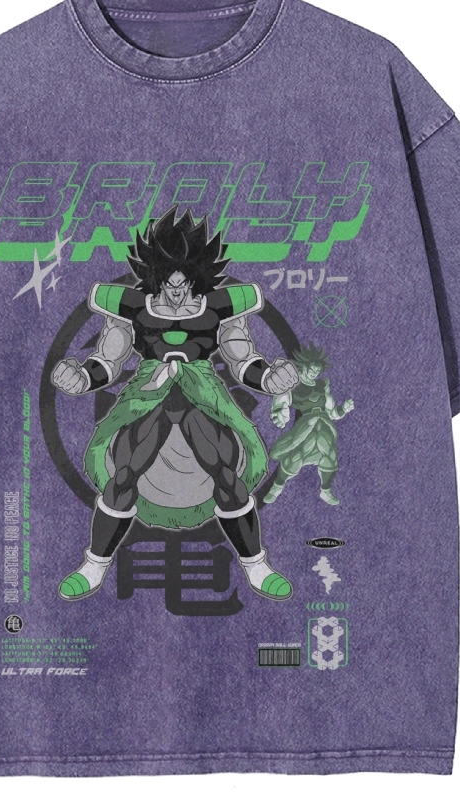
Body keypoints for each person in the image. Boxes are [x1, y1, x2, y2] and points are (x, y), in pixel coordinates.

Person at [50, 205, 299, 601]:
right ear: (154, 272)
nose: (177, 285)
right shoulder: (129, 306)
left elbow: (242, 360)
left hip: (203, 393)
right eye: (168, 275)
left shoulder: (221, 307)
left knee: (225, 472)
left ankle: (256, 566)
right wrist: (81, 377)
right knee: (125, 473)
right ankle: (94, 565)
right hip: (148, 393)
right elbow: (108, 360)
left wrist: (271, 377)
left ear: (199, 272)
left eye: (184, 275)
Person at [263, 343, 354, 505]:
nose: (314, 373)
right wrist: (280, 414)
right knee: (297, 456)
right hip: (306, 425)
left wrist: (343, 409)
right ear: (304, 366)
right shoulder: (292, 385)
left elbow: (332, 413)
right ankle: (277, 487)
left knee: (329, 454)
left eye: (317, 371)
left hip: (324, 423)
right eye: (312, 369)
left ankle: (326, 491)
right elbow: (281, 402)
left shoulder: (321, 386)